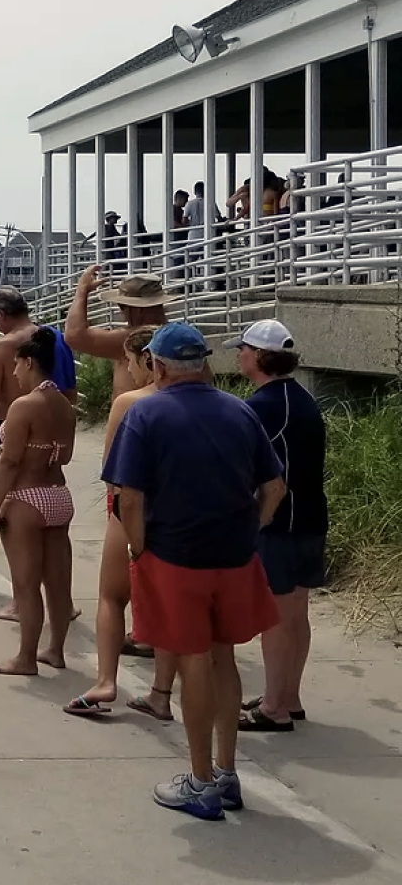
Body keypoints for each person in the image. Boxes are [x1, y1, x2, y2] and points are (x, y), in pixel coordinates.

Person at [103, 322, 285, 821]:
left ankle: (201, 780)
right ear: (204, 364)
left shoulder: (146, 414)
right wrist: (252, 529)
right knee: (223, 657)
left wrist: (139, 549)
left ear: (157, 366)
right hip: (234, 555)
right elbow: (274, 488)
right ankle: (227, 774)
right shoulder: (241, 411)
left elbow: (129, 498)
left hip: (175, 557)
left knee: (192, 662)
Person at [65, 328, 177, 720]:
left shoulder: (129, 402)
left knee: (112, 598)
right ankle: (161, 691)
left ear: (144, 361)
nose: (126, 369)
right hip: (177, 511)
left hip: (131, 505)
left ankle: (105, 680)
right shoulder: (193, 401)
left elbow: (113, 469)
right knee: (167, 608)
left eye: (128, 362)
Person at [229, 320, 328, 733]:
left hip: (280, 523)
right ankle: (289, 694)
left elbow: (254, 470)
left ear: (259, 357)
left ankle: (274, 706)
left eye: (244, 349)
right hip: (309, 518)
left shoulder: (266, 405)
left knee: (277, 616)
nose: (239, 355)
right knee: (296, 612)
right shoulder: (300, 396)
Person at [0, 286, 78, 622]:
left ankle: (22, 604)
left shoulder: (2, 348)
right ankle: (61, 609)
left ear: (1, 315)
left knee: (17, 541)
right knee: (56, 560)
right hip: (53, 448)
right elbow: (70, 390)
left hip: (16, 440)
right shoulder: (54, 339)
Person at [64, 267, 168, 399]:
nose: (121, 312)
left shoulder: (133, 338)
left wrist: (82, 290)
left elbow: (74, 335)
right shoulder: (172, 335)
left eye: (122, 306)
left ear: (138, 309)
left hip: (133, 415)